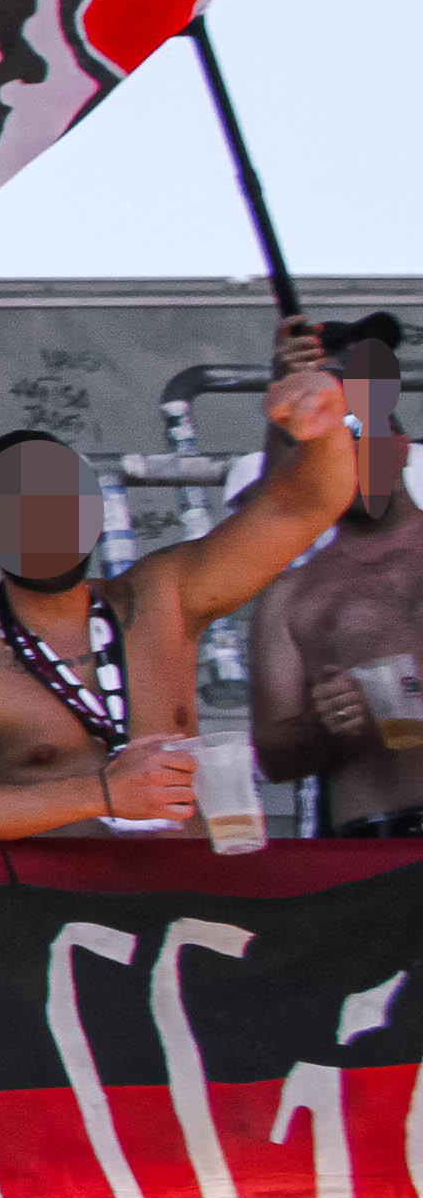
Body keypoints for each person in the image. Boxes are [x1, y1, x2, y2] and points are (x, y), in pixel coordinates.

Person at [0, 330, 352, 839]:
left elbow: (303, 507)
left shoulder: (164, 597)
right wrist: (103, 793)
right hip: (62, 913)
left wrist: (326, 426)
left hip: (197, 901)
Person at [252, 331, 423, 835]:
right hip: (373, 837)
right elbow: (275, 759)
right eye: (329, 447)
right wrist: (322, 723)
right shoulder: (291, 597)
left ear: (399, 447)